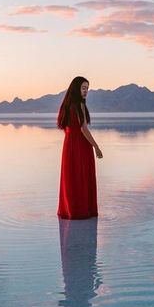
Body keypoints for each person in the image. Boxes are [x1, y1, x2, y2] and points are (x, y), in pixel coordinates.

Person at [57, 76, 103, 219]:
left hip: (69, 145)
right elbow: (83, 129)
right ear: (76, 88)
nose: (86, 91)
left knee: (72, 177)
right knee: (82, 177)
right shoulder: (79, 105)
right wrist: (96, 146)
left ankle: (70, 210)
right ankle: (82, 211)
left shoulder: (66, 105)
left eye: (87, 88)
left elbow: (67, 128)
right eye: (83, 88)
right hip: (80, 145)